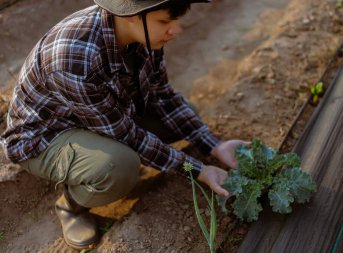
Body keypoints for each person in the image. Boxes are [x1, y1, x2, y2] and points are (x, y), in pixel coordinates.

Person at [0, 0, 248, 250]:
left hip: (103, 116)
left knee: (185, 116)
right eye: (165, 21)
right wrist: (197, 170)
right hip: (46, 136)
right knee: (120, 164)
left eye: (175, 20)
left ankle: (101, 159)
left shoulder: (143, 35)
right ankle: (71, 206)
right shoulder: (75, 57)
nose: (176, 30)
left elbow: (162, 95)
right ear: (130, 15)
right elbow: (126, 136)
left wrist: (215, 146)